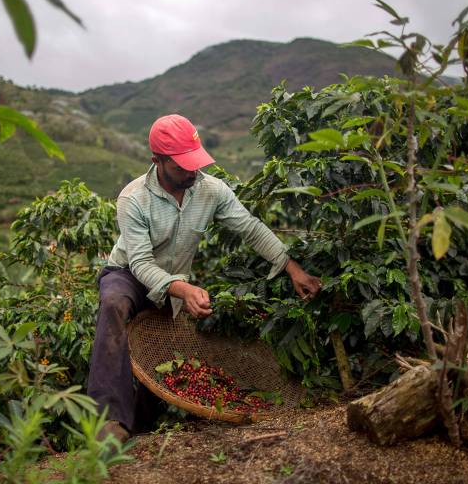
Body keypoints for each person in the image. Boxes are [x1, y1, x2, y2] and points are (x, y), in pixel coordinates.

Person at [87, 114, 321, 442]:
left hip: (173, 282)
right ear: (157, 160)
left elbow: (250, 228)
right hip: (128, 274)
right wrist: (183, 289)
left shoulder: (211, 190)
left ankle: (139, 431)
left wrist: (292, 267)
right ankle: (108, 424)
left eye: (194, 163)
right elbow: (140, 263)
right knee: (113, 304)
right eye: (181, 166)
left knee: (162, 357)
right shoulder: (133, 198)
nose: (191, 172)